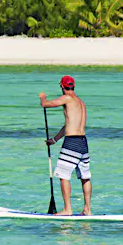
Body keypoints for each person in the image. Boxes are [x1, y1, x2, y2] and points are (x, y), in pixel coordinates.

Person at [39, 75, 91, 216]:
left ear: (62, 86)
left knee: (63, 175)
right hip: (83, 143)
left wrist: (43, 97)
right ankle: (87, 209)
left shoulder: (67, 98)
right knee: (85, 176)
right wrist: (54, 140)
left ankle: (67, 209)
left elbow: (46, 104)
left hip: (72, 143)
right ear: (73, 86)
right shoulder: (81, 102)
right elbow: (68, 125)